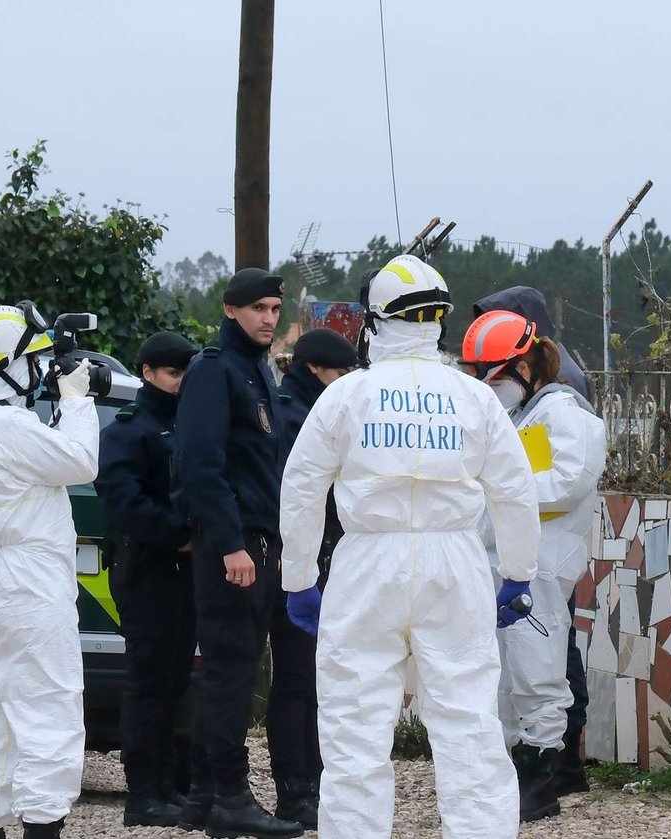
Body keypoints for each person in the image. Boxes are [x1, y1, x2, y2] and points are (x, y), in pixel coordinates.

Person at [277, 255, 542, 839]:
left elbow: (301, 488)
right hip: (456, 563)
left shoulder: (346, 395)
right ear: (438, 321)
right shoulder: (473, 398)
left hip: (367, 563)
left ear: (374, 321)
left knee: (353, 726)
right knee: (469, 722)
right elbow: (515, 490)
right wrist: (519, 573)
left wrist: (299, 578)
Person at [0, 303, 100, 839]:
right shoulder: (8, 427)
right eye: (33, 361)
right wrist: (76, 400)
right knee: (49, 709)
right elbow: (81, 462)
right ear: (9, 366)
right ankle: (42, 827)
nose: (39, 371)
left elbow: (45, 458)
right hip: (26, 584)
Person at [460, 310, 606, 821]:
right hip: (509, 561)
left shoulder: (564, 414)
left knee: (538, 670)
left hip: (542, 564)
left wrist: (498, 493)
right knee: (505, 672)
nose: (486, 387)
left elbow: (568, 481)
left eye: (492, 377)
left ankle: (541, 780)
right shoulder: (524, 415)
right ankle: (512, 775)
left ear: (522, 368)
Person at [173, 268, 303, 839]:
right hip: (234, 546)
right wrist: (229, 544)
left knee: (232, 672)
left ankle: (204, 798)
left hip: (258, 541)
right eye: (257, 309)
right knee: (229, 676)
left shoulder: (253, 369)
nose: (269, 319)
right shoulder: (215, 369)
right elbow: (200, 466)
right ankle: (230, 797)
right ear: (230, 310)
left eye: (274, 309)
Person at [96, 331, 200, 828]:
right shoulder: (128, 430)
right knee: (149, 681)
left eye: (186, 374)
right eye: (173, 374)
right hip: (148, 567)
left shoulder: (191, 423)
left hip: (187, 570)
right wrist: (178, 537)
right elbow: (124, 501)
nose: (181, 383)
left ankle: (172, 784)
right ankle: (143, 793)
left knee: (178, 680)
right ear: (148, 372)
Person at [265, 327, 358, 829]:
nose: (346, 382)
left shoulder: (313, 410)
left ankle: (315, 785)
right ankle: (294, 791)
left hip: (319, 559)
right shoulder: (294, 416)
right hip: (299, 563)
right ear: (314, 369)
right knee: (297, 678)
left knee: (317, 680)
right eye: (340, 372)